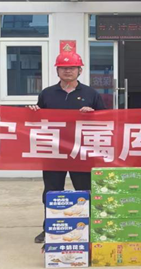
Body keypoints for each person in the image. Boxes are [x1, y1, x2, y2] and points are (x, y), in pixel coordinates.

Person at [28, 52, 105, 243]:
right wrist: (33, 111)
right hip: (54, 151)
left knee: (85, 190)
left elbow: (106, 120)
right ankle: (50, 227)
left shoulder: (91, 94)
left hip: (82, 151)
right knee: (52, 190)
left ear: (80, 70)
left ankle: (88, 227)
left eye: (72, 68)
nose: (68, 71)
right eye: (63, 68)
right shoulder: (47, 93)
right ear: (57, 70)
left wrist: (93, 114)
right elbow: (38, 120)